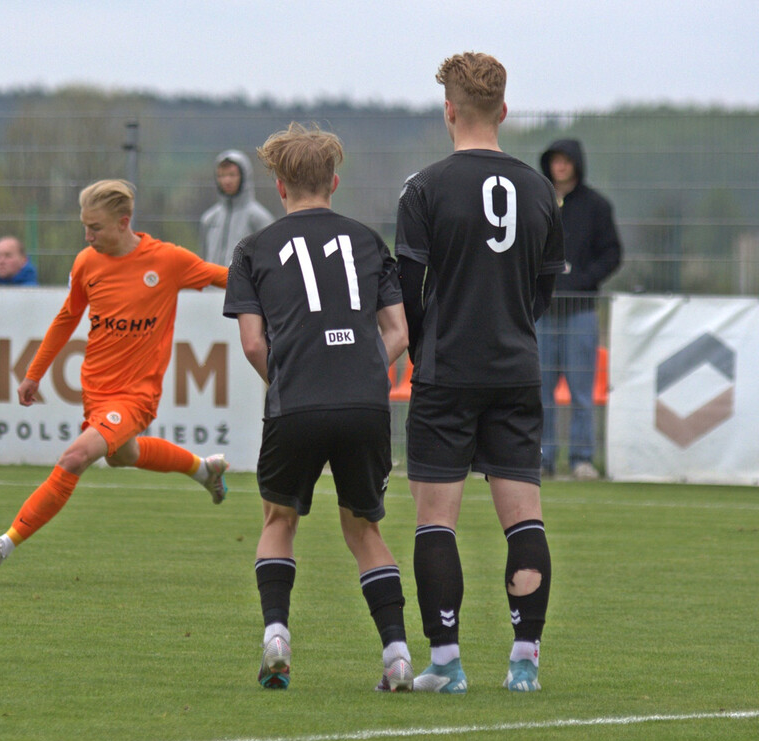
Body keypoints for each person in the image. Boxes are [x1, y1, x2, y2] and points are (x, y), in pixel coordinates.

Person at [394, 52, 565, 694]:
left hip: (446, 369)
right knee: (524, 517)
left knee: (436, 520)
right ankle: (525, 664)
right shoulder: (539, 188)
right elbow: (546, 286)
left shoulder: (426, 187)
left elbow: (406, 287)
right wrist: (514, 324)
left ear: (449, 110)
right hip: (515, 368)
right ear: (502, 110)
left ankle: (446, 664)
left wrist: (421, 343)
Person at [223, 122, 413, 692]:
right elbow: (399, 331)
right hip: (364, 404)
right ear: (333, 181)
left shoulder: (253, 249)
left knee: (279, 520)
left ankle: (277, 637)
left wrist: (289, 378)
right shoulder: (366, 241)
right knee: (364, 529)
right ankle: (399, 656)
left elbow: (254, 343)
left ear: (280, 188)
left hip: (295, 403)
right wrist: (356, 373)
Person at [0, 179, 230, 574]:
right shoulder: (87, 263)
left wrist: (282, 287)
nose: (88, 236)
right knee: (126, 455)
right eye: (84, 227)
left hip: (137, 395)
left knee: (74, 457)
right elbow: (66, 318)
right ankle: (203, 469)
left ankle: (2, 546)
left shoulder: (168, 261)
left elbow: (225, 278)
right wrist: (34, 374)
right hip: (96, 391)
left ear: (124, 222)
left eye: (96, 228)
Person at [538, 139, 622, 480]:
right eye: (555, 160)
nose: (560, 166)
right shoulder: (536, 202)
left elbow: (612, 254)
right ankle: (541, 459)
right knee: (538, 390)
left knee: (581, 390)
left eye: (566, 160)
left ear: (576, 164)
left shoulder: (597, 206)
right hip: (541, 310)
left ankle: (581, 459)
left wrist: (583, 280)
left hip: (581, 311)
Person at [200, 149, 274, 267]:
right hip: (212, 285)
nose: (227, 180)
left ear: (244, 176)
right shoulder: (209, 219)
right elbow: (202, 261)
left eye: (232, 175)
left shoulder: (260, 218)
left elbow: (269, 261)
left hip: (244, 285)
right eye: (222, 175)